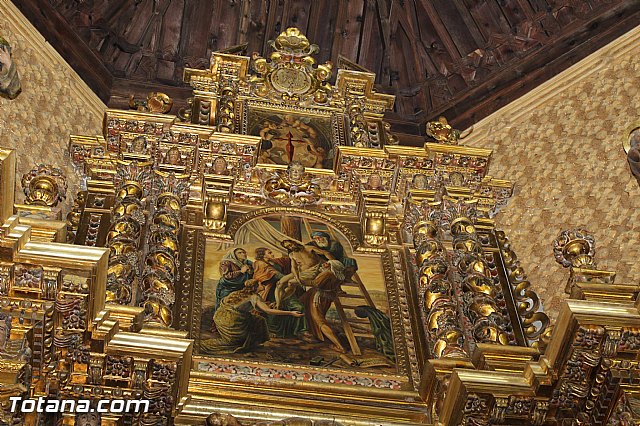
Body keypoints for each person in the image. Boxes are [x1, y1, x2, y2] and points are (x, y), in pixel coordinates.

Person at [201, 279, 304, 354]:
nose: (262, 284)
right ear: (255, 287)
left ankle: (255, 343)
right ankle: (203, 345)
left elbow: (233, 305)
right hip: (232, 322)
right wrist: (290, 313)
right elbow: (267, 311)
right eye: (260, 283)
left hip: (220, 317)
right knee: (233, 343)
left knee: (258, 319)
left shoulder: (238, 293)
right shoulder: (254, 297)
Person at [300, 260, 347, 353]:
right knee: (316, 318)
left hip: (317, 298)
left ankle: (339, 346)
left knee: (320, 321)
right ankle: (314, 334)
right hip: (326, 298)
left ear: (330, 265)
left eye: (326, 263)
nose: (323, 264)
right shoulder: (339, 276)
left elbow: (315, 283)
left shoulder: (327, 273)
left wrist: (300, 280)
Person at [274, 239, 324, 308]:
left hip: (312, 271)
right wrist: (296, 277)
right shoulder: (292, 254)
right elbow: (293, 267)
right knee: (279, 283)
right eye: (288, 247)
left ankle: (279, 302)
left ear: (294, 242)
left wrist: (332, 262)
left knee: (291, 283)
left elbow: (325, 253)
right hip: (301, 272)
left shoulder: (308, 248)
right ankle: (278, 303)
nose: (290, 247)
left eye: (290, 245)